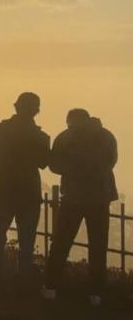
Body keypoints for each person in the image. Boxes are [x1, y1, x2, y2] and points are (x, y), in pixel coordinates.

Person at [43, 109, 118, 306]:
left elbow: (54, 166)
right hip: (100, 197)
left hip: (73, 197)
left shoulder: (66, 137)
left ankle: (51, 287)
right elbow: (112, 161)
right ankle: (96, 294)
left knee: (61, 242)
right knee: (98, 246)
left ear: (70, 120)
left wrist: (71, 169)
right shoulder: (106, 135)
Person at [0, 92, 50, 291]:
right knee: (27, 239)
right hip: (29, 193)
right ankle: (22, 281)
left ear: (16, 107)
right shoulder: (41, 136)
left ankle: (0, 280)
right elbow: (43, 163)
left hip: (2, 190)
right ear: (36, 111)